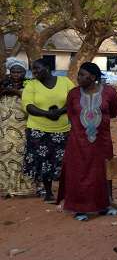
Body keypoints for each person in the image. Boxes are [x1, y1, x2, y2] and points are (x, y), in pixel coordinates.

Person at [57, 63, 117, 221]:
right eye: (79, 75)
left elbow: (113, 111)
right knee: (79, 172)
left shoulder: (109, 92)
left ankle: (104, 205)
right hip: (78, 142)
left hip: (102, 141)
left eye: (82, 75)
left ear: (92, 77)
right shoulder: (73, 94)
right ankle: (80, 208)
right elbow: (71, 114)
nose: (78, 78)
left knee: (102, 172)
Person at [22, 58, 74, 202]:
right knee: (44, 161)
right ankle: (49, 192)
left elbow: (74, 99)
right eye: (33, 69)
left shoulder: (65, 82)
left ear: (47, 67)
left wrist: (60, 111)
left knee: (63, 161)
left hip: (62, 129)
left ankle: (66, 191)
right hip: (38, 130)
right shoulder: (31, 85)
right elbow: (28, 106)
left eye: (37, 68)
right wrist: (48, 114)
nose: (35, 72)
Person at [0, 58, 35, 197]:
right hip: (4, 126)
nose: (16, 74)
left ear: (24, 72)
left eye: (19, 72)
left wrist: (15, 92)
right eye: (13, 72)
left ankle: (21, 187)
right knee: (4, 155)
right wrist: (4, 90)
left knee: (21, 154)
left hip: (22, 126)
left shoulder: (30, 85)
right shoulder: (3, 84)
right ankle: (5, 186)